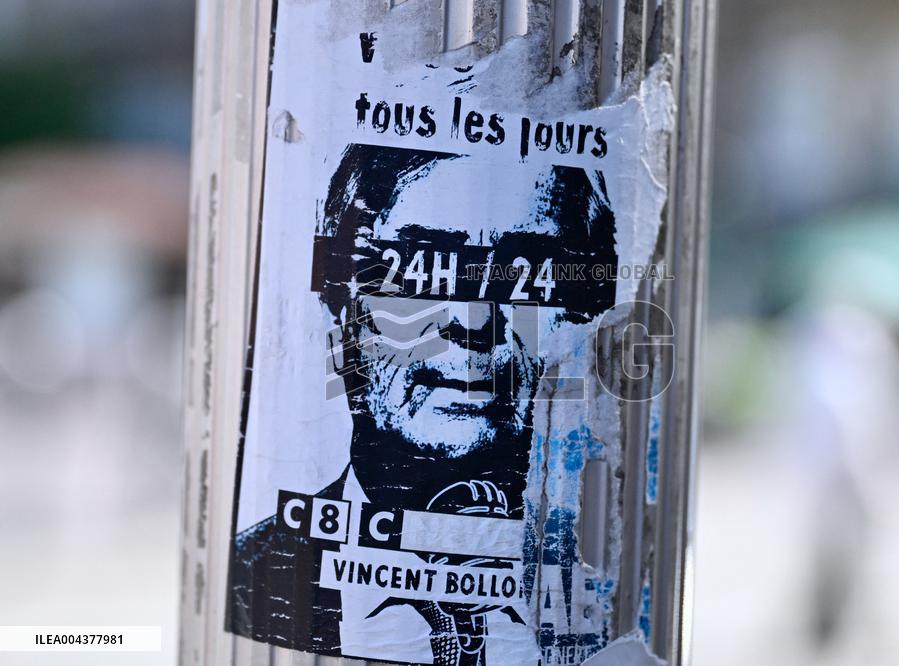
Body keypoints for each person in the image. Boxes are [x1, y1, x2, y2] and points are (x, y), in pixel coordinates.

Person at [228, 143, 617, 664]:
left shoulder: (610, 586)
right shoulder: (251, 574)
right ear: (338, 312)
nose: (475, 323)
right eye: (420, 268)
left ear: (580, 320)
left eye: (523, 272)